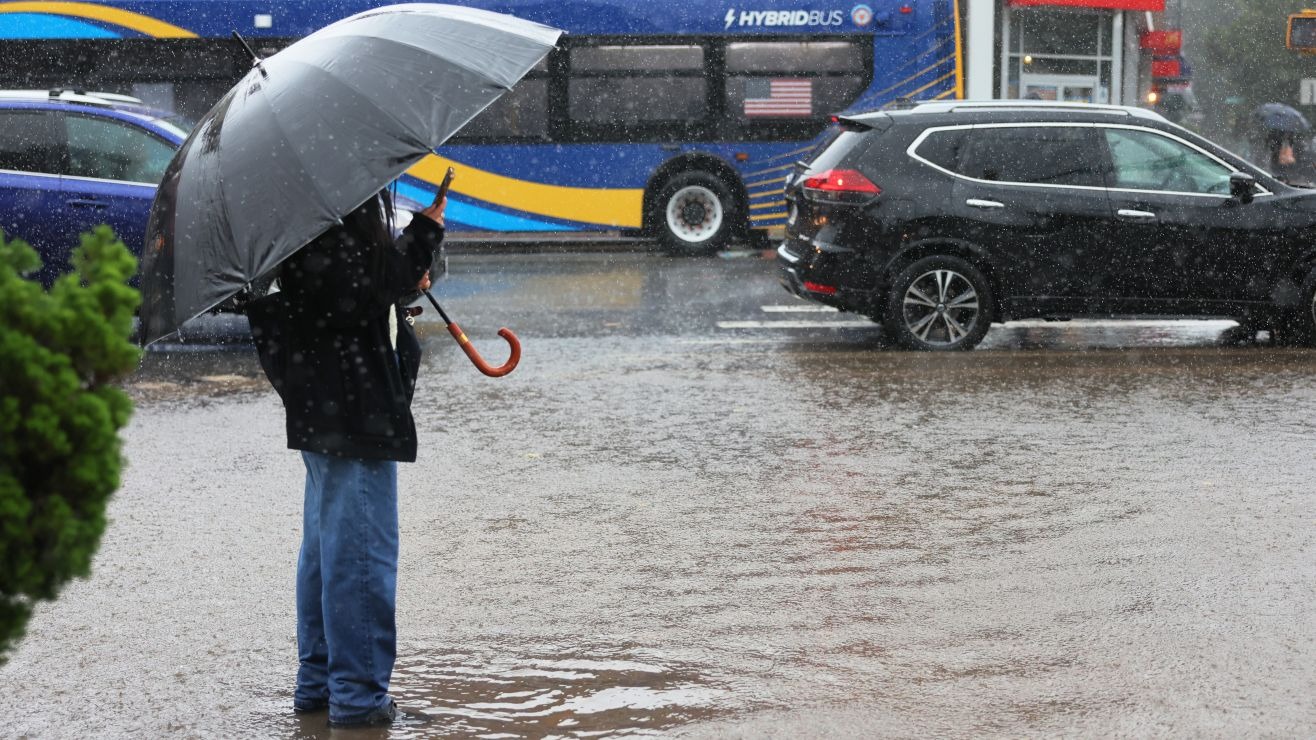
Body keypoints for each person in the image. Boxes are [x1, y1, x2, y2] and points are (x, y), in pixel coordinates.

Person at [246, 187, 446, 728]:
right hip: (351, 408)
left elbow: (352, 289)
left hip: (331, 402)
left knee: (329, 546)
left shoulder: (308, 195)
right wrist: (420, 239)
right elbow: (349, 292)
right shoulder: (329, 197)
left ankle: (322, 686)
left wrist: (406, 265)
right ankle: (357, 698)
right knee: (359, 554)